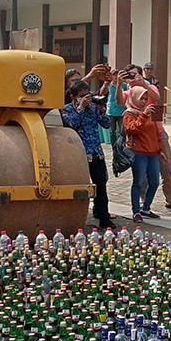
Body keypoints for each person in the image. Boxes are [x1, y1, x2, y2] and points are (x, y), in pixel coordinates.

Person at [61, 76, 114, 229]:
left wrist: (102, 111)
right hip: (78, 153)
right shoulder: (67, 109)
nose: (85, 98)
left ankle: (104, 217)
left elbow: (106, 124)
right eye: (81, 95)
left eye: (87, 94)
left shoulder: (92, 108)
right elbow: (71, 124)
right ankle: (75, 218)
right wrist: (81, 108)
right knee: (78, 186)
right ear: (73, 96)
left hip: (96, 152)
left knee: (101, 186)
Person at [131, 63, 171, 213]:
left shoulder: (151, 86)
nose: (133, 78)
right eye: (130, 74)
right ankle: (144, 204)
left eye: (136, 74)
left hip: (158, 131)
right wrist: (117, 84)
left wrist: (144, 85)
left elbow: (157, 98)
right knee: (143, 174)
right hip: (141, 135)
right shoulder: (129, 91)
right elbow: (120, 103)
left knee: (166, 168)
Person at [122, 86, 162, 223]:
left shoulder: (149, 112)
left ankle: (146, 208)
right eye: (141, 98)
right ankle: (136, 211)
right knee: (138, 182)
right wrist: (143, 115)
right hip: (139, 152)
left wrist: (160, 149)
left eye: (146, 98)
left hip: (153, 153)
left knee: (155, 182)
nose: (144, 101)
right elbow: (132, 129)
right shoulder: (129, 114)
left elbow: (156, 132)